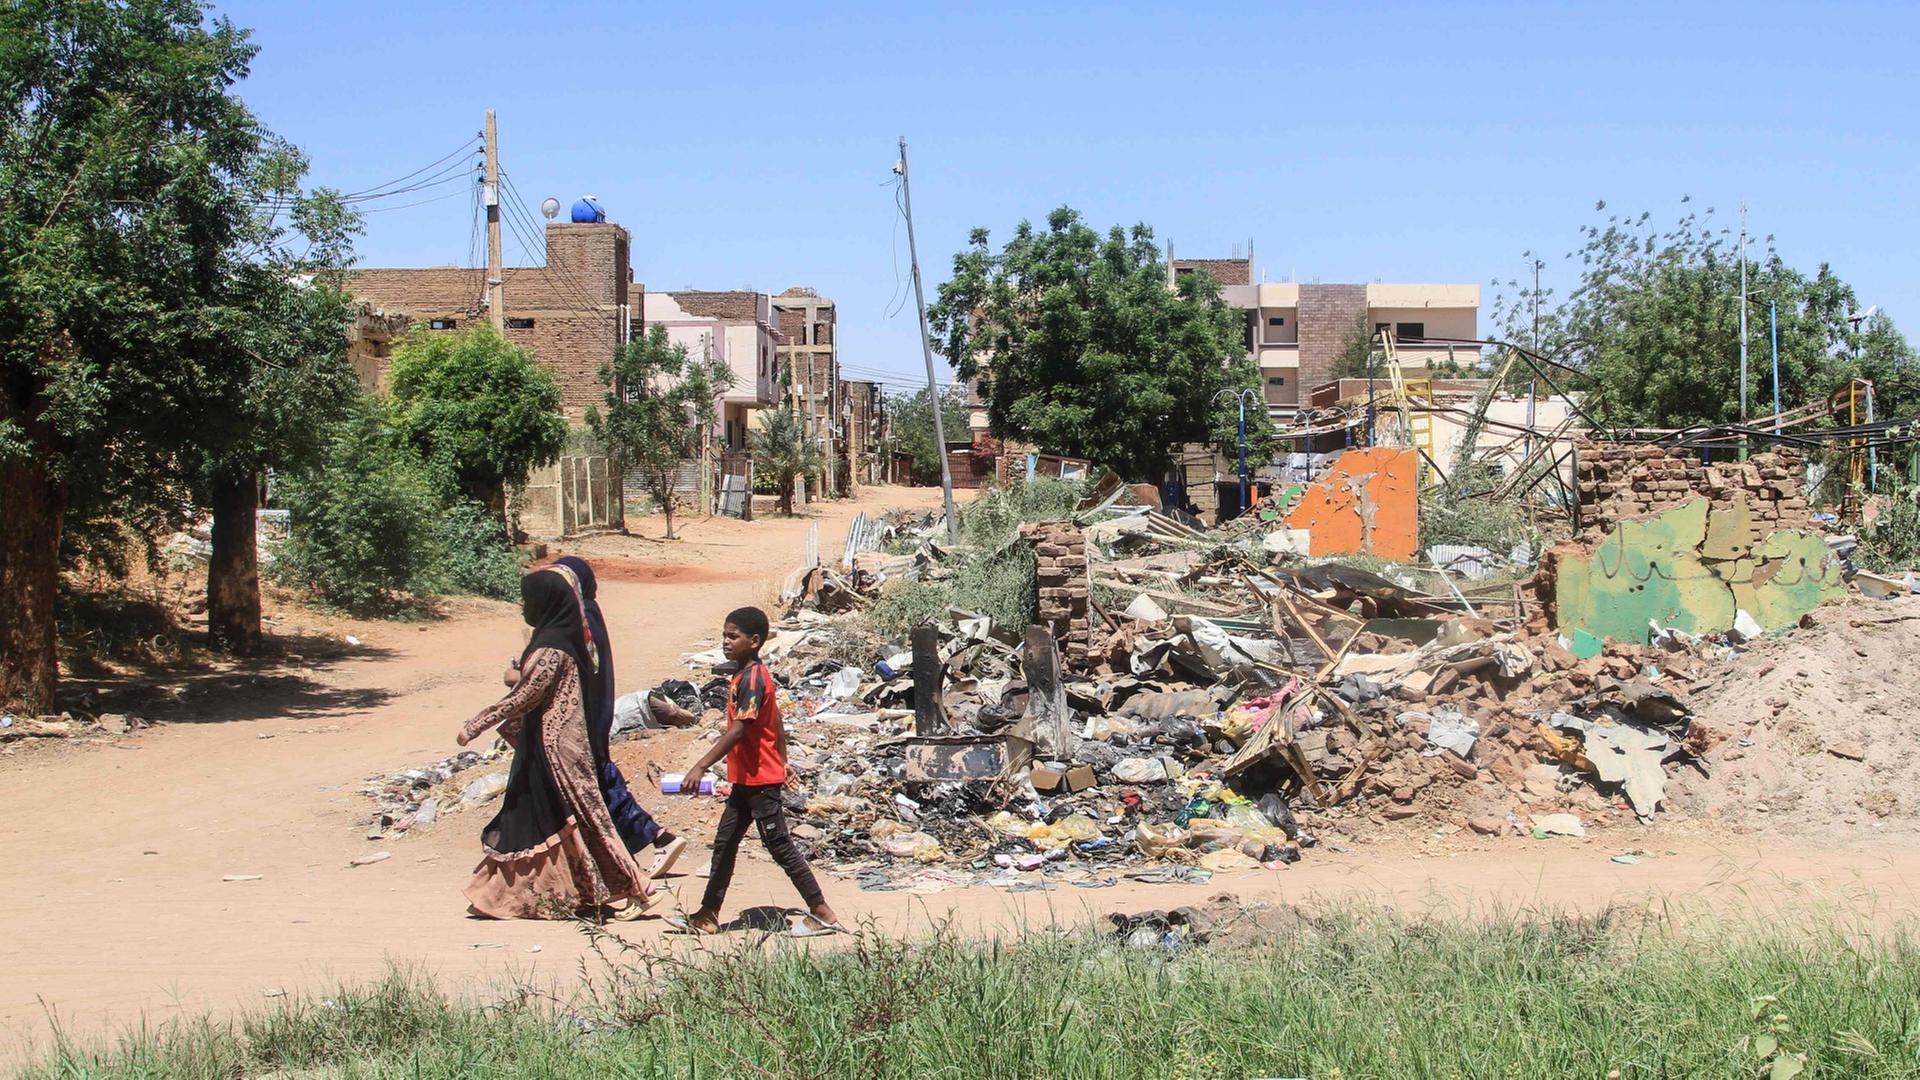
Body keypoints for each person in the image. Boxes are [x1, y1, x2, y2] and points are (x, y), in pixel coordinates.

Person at [456, 568, 652, 920]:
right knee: (543, 819)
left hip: (558, 749)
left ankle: (639, 887)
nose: (522, 607)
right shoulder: (558, 638)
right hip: (545, 747)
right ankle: (516, 896)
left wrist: (476, 724)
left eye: (527, 600)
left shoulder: (553, 647)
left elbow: (526, 696)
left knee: (592, 819)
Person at [670, 606, 843, 937]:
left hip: (761, 780)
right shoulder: (748, 675)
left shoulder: (751, 679)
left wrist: (701, 765)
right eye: (723, 636)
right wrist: (784, 758)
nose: (725, 642)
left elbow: (739, 730)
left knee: (779, 845)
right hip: (747, 778)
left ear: (755, 640)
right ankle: (707, 914)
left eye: (733, 636)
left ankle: (822, 911)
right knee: (725, 842)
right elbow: (775, 719)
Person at [550, 556, 688, 879]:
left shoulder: (578, 619)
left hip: (579, 721)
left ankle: (650, 841)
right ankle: (651, 839)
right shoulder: (587, 614)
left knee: (596, 785)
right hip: (590, 717)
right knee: (598, 781)